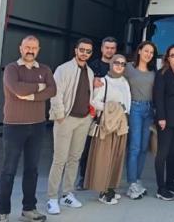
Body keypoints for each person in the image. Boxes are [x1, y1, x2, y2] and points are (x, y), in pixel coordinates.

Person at [0, 36, 56, 222]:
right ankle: (2, 212)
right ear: (20, 48)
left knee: (32, 170)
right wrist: (39, 86)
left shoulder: (45, 69)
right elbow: (17, 89)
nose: (30, 50)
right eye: (27, 47)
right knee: (8, 171)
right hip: (14, 126)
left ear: (38, 49)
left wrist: (31, 96)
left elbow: (52, 90)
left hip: (37, 126)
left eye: (34, 47)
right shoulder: (11, 69)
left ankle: (28, 209)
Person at [46, 39, 95, 215]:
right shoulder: (63, 69)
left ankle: (67, 194)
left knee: (74, 158)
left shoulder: (90, 72)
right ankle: (52, 198)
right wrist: (59, 115)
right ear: (76, 50)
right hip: (65, 120)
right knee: (59, 160)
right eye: (82, 50)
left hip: (83, 120)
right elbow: (56, 93)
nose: (84, 53)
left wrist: (90, 115)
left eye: (88, 51)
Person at [85, 54, 131, 205]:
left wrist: (123, 113)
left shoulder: (124, 82)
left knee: (117, 157)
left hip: (121, 124)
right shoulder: (104, 81)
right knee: (104, 158)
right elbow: (94, 101)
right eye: (116, 62)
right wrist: (112, 108)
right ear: (111, 64)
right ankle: (103, 191)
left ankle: (111, 187)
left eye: (123, 64)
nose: (119, 66)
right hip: (108, 124)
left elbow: (127, 103)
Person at [78, 36, 118, 189]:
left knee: (107, 147)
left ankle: (103, 178)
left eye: (113, 48)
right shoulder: (91, 66)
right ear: (101, 49)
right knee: (88, 145)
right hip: (93, 112)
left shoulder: (118, 66)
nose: (110, 51)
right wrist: (92, 81)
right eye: (107, 47)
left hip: (112, 114)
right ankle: (83, 177)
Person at [153, 44, 174, 201]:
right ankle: (161, 188)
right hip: (166, 119)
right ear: (167, 57)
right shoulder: (162, 73)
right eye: (172, 55)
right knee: (163, 153)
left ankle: (170, 183)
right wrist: (161, 117)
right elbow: (158, 96)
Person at [124, 41, 157, 200]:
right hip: (135, 109)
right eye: (146, 51)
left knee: (144, 147)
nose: (148, 54)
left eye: (151, 52)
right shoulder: (128, 68)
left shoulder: (153, 72)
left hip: (149, 110)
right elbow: (116, 79)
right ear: (139, 51)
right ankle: (131, 184)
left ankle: (137, 179)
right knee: (135, 147)